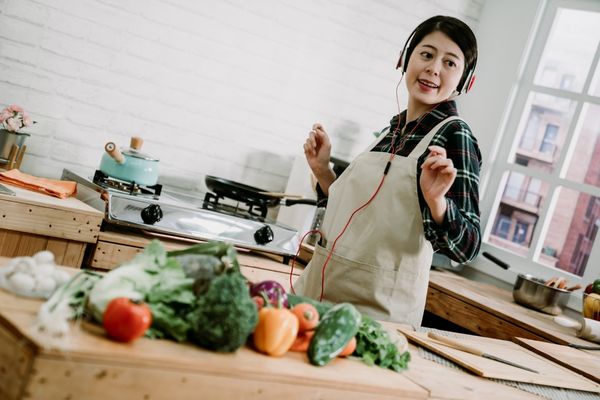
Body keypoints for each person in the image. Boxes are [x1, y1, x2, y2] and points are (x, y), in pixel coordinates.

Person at [293, 15, 482, 326]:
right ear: (404, 60)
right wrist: (323, 170)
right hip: (317, 293)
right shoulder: (390, 132)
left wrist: (438, 204)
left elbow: (469, 246)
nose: (434, 68)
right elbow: (356, 216)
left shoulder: (455, 136)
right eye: (426, 54)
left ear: (465, 81)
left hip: (375, 316)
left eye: (450, 63)